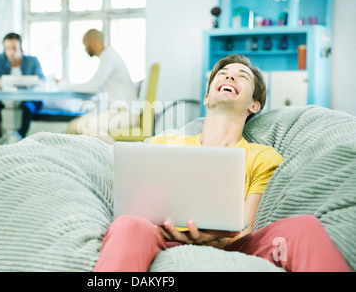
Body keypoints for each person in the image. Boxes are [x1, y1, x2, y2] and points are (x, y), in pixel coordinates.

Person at [93, 54, 351, 272]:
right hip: (164, 236)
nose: (230, 77)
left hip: (234, 245)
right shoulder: (165, 144)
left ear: (254, 105)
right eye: (224, 73)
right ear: (207, 98)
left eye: (242, 76)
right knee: (128, 224)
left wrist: (216, 240)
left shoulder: (263, 156)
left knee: (303, 227)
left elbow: (245, 231)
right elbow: (139, 206)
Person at [61, 29, 140, 144]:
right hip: (115, 111)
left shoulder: (109, 56)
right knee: (73, 126)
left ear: (93, 42)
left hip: (126, 113)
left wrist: (66, 86)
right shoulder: (107, 56)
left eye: (85, 45)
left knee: (88, 127)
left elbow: (92, 87)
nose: (85, 49)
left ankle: (119, 157)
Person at [0, 32, 45, 143]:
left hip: (27, 100)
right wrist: (1, 83)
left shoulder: (32, 61)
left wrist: (5, 82)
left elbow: (41, 81)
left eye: (14, 48)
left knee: (28, 108)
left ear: (21, 48)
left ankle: (19, 141)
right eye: (7, 48)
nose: (11, 52)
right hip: (4, 100)